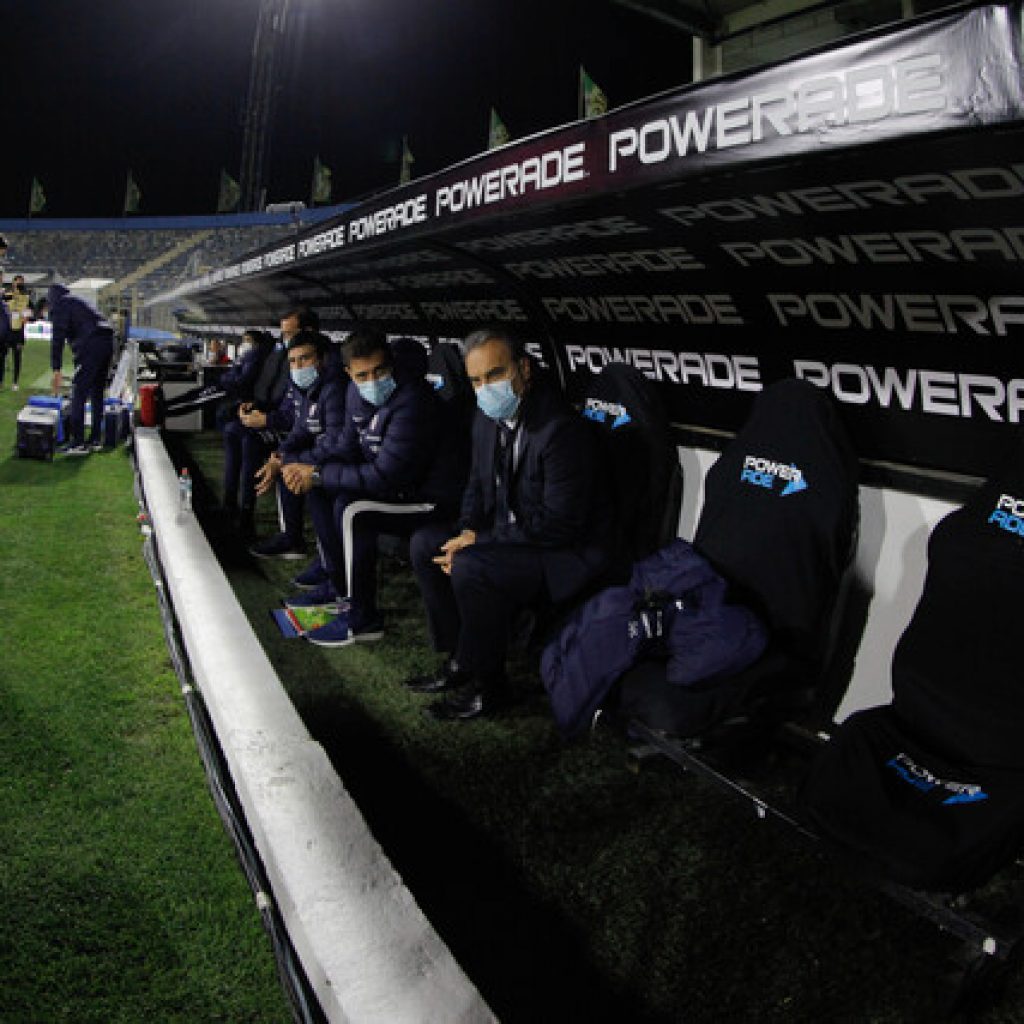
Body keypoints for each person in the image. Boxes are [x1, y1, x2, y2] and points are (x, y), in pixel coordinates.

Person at [408, 327, 612, 720]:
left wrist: (479, 543)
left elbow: (559, 525)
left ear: (524, 369)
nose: (486, 388)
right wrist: (468, 530)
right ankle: (460, 661)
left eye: (496, 375)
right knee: (425, 543)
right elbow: (475, 486)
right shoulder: (485, 419)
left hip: (565, 553)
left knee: (471, 564)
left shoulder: (560, 430)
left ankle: (492, 688)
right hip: (514, 538)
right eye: (476, 381)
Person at [282, 329, 467, 647]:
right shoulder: (356, 393)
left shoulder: (413, 400)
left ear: (391, 364)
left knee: (353, 510)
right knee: (321, 490)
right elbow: (345, 447)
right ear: (348, 374)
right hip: (397, 489)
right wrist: (302, 466)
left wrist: (320, 474)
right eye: (362, 374)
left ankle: (363, 618)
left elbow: (388, 476)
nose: (372, 380)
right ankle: (339, 589)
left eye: (380, 371)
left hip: (430, 498)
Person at [252, 328, 345, 559]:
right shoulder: (307, 388)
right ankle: (293, 540)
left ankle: (331, 569)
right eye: (293, 361)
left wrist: (287, 460)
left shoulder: (334, 388)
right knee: (288, 465)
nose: (298, 366)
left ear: (322, 359)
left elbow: (335, 444)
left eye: (305, 358)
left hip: (344, 461)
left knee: (309, 480)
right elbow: (300, 430)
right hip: (325, 455)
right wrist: (280, 455)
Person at [220, 329, 286, 529]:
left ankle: (246, 516)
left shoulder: (293, 365)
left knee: (251, 441)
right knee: (232, 430)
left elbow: (295, 414)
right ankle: (229, 505)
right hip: (267, 415)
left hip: (279, 427)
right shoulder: (276, 357)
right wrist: (252, 406)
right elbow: (268, 393)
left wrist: (266, 419)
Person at [48, 283, 115, 455]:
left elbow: (58, 338)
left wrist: (56, 368)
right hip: (107, 341)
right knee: (97, 391)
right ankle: (94, 439)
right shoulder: (77, 301)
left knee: (79, 390)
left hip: (91, 343)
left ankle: (78, 442)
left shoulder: (61, 305)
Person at [0, 275, 30, 391]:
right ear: (12, 283)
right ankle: (1, 381)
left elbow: (30, 312)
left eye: (20, 283)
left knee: (17, 357)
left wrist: (27, 316)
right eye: (16, 283)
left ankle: (15, 382)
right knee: (2, 357)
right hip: (7, 330)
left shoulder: (26, 297)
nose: (18, 285)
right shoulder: (6, 295)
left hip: (18, 331)